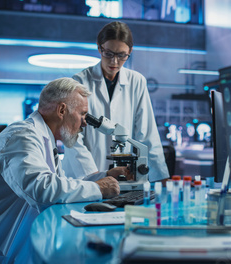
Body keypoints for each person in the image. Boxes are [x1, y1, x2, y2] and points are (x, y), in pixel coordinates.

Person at [0, 77, 127, 263]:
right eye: (82, 114)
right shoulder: (21, 137)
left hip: (8, 247)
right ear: (62, 110)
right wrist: (98, 188)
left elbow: (59, 186)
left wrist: (103, 177)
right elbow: (40, 189)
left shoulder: (45, 140)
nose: (85, 123)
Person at [62, 21, 170, 182]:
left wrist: (160, 177)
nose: (114, 62)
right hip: (86, 177)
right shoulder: (80, 81)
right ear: (99, 48)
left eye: (121, 55)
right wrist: (95, 176)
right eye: (109, 54)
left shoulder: (137, 81)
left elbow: (147, 133)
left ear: (130, 52)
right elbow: (72, 137)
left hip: (123, 174)